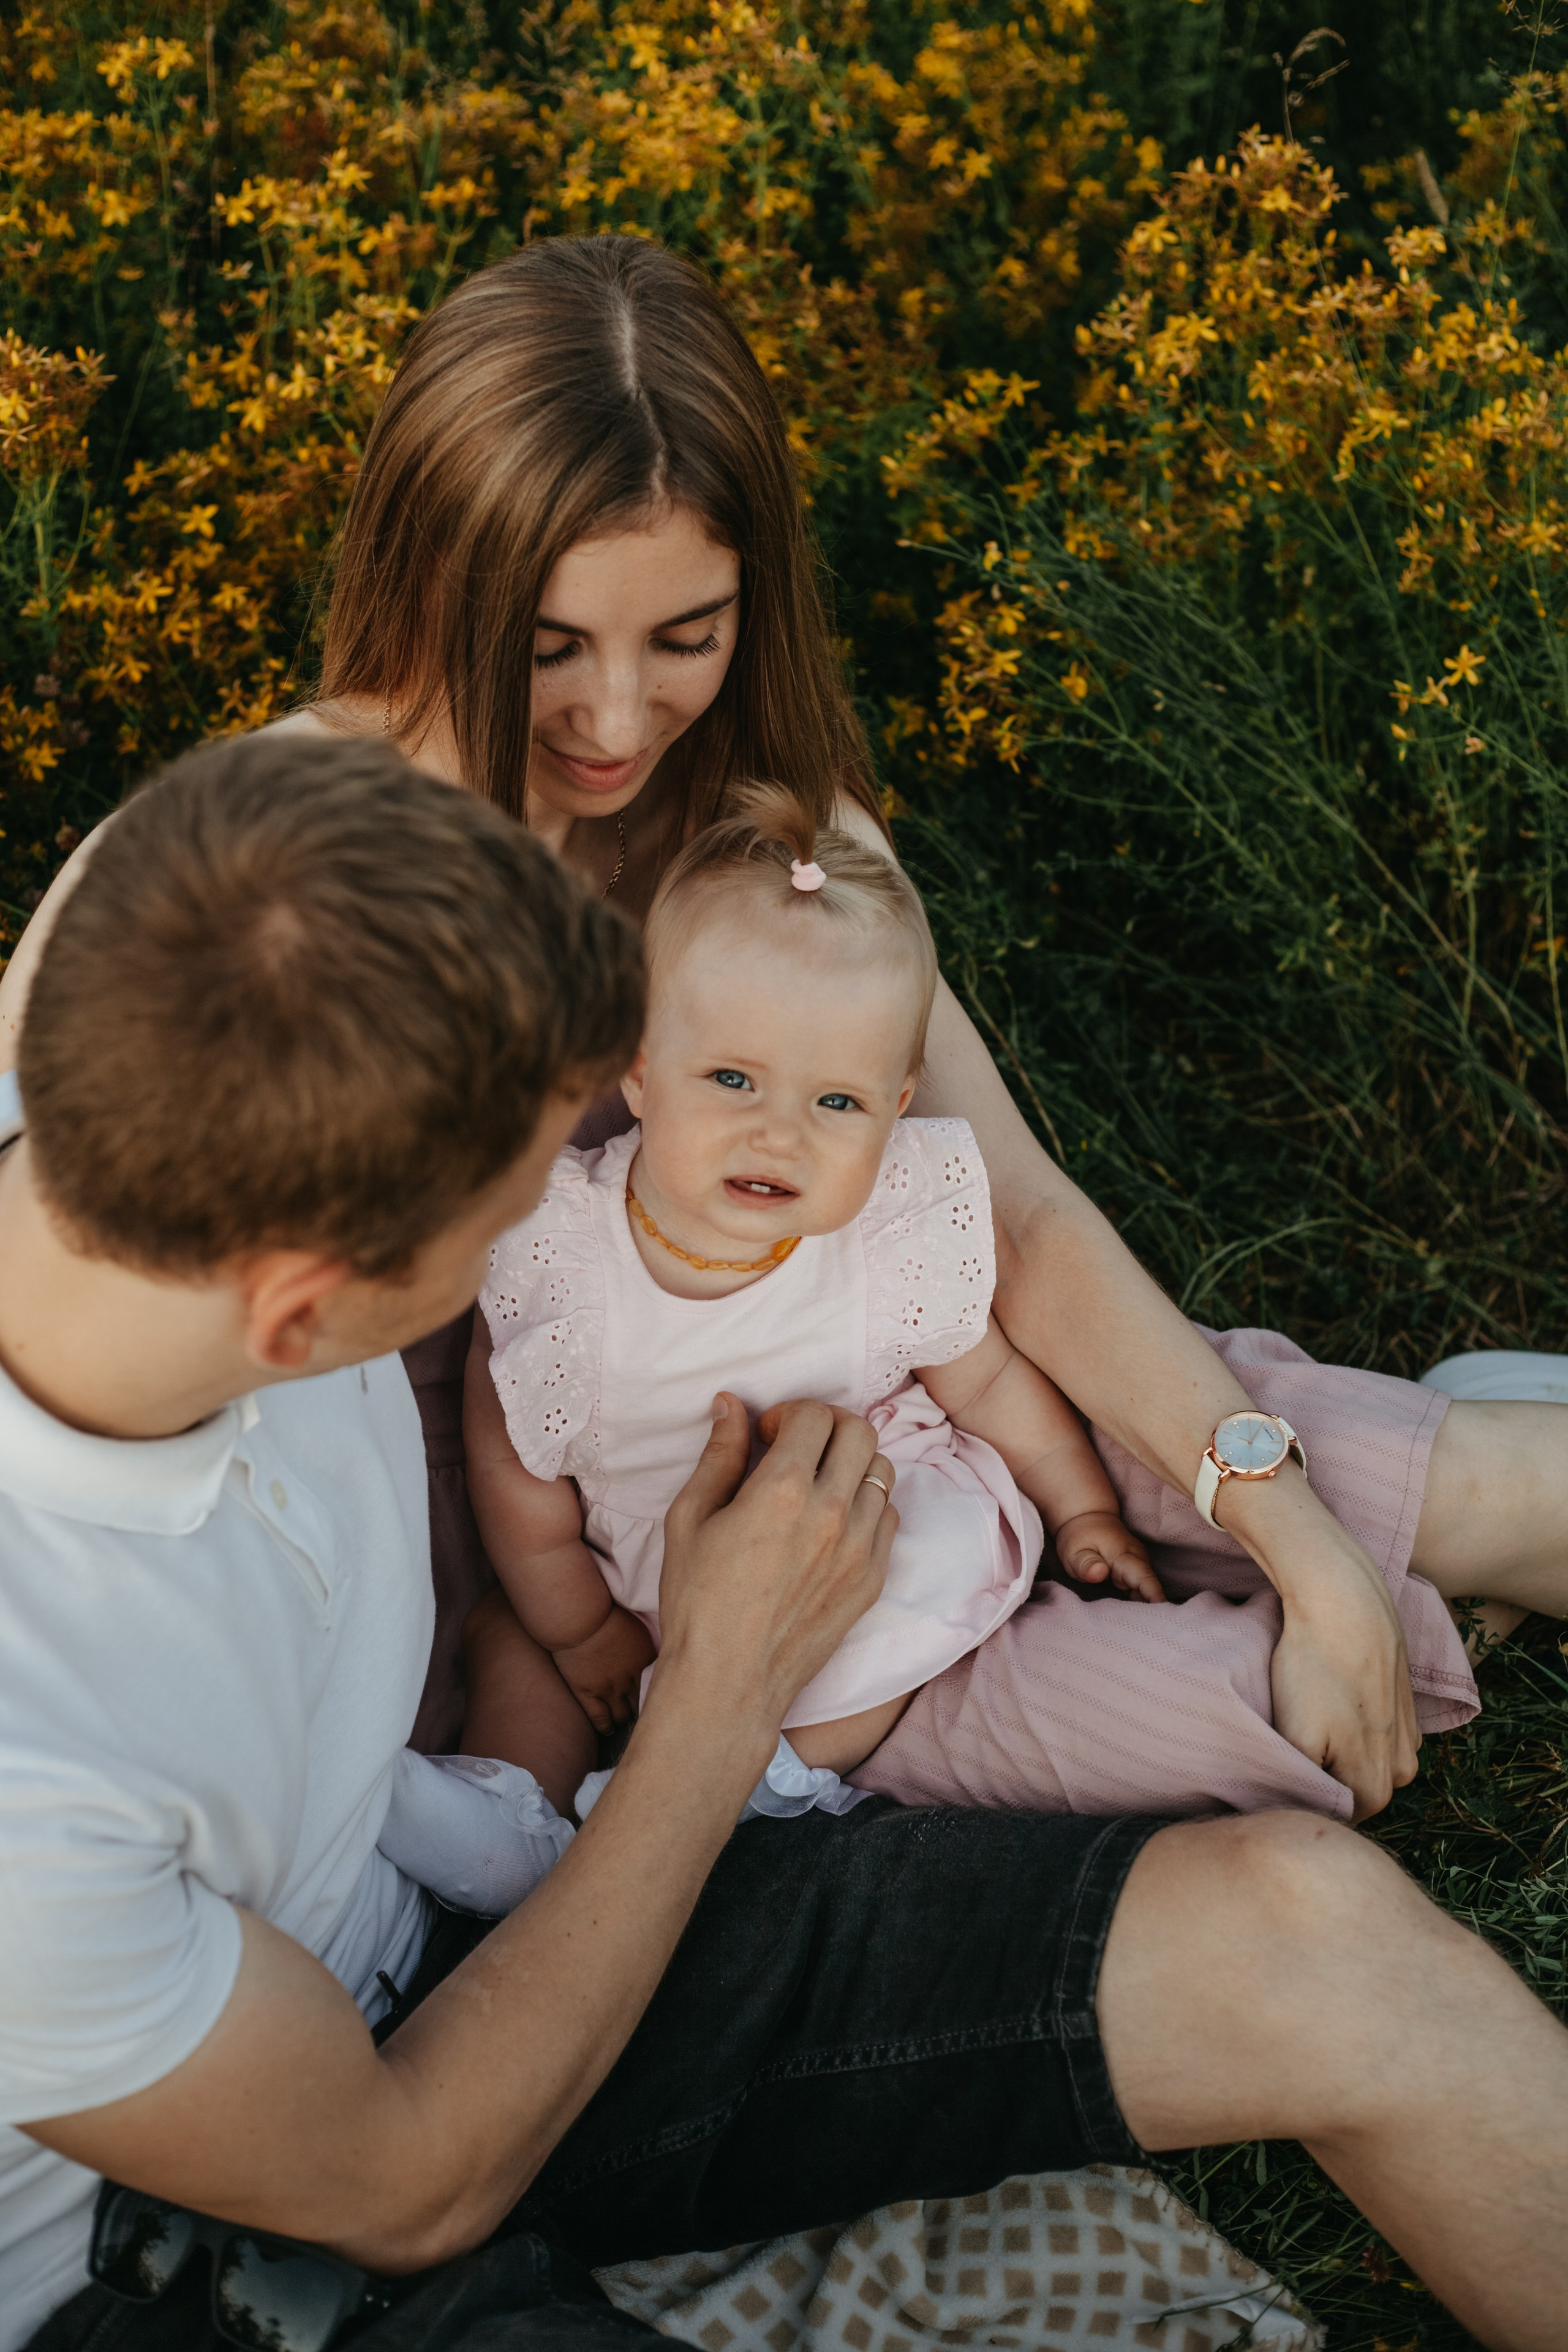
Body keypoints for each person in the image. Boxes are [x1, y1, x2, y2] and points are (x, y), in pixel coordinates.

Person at [3, 730, 1567, 2352]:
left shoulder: (90, 1084)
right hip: (317, 2186)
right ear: (306, 1315)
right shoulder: (29, 1802)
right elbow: (403, 2184)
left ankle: (1455, 1488)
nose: (570, 1204)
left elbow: (289, 783)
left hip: (522, 1804)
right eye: (499, 1220)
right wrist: (724, 1682)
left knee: (1326, 1937)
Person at [0, 234, 1561, 1824]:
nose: (617, 722)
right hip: (482, 1503)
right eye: (551, 645)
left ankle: (1415, 1513)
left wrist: (1287, 1522)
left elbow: (1011, 1217)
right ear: (436, 580)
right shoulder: (272, 850)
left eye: (687, 636)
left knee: (1441, 1491)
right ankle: (1398, 1564)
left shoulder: (771, 848)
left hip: (873, 1381)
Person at [463, 796, 1526, 1824]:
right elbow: (510, 1464)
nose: (780, 1133)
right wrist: (581, 1628)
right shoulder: (558, 1252)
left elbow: (990, 1382)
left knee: (1292, 1531)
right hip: (661, 1589)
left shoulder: (883, 1230)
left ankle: (752, 1781)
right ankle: (535, 1818)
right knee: (514, 1645)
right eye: (733, 1079)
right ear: (640, 1072)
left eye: (837, 1102)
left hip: (897, 1539)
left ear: (898, 1107)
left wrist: (1080, 1511)